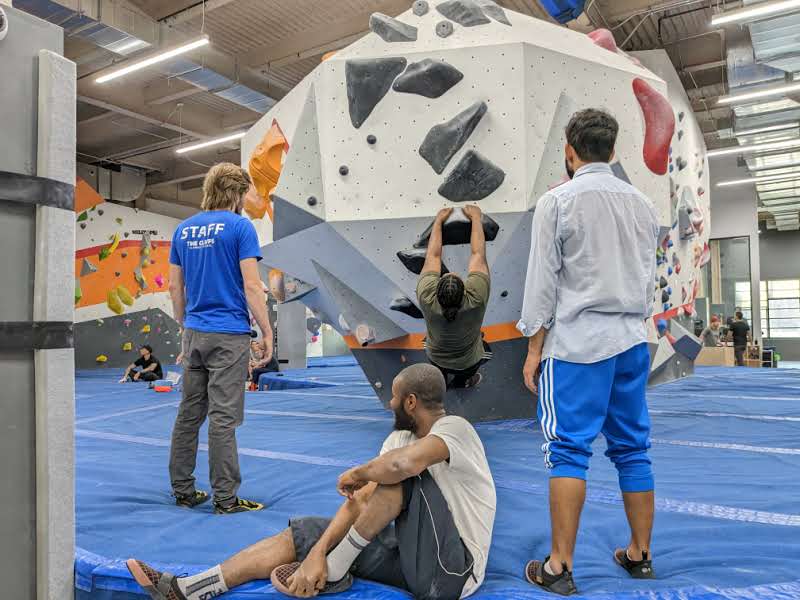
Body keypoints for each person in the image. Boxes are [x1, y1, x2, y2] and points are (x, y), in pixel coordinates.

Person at [126, 363, 496, 600]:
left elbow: (399, 469)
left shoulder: (456, 430)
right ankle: (191, 589)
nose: (390, 405)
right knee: (301, 535)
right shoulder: (398, 440)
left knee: (399, 476)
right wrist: (319, 551)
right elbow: (364, 499)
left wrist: (359, 472)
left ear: (411, 402)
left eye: (395, 399)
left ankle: (337, 568)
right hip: (410, 558)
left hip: (451, 575)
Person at [517, 109, 660, 595]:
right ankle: (640, 556)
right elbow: (648, 282)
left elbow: (541, 286)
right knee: (633, 449)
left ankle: (559, 566)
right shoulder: (643, 204)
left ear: (569, 151)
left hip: (577, 346)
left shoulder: (556, 202)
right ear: (614, 150)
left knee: (567, 451)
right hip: (632, 342)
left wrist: (534, 348)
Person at [168, 163, 274, 515]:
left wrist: (186, 325)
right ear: (238, 193)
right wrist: (267, 330)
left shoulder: (183, 230)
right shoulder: (240, 227)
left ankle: (183, 490)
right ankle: (225, 499)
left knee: (189, 414)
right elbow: (251, 285)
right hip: (228, 334)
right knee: (224, 419)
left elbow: (174, 287)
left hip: (195, 331)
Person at [416, 205, 492, 389]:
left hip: (435, 356)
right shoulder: (476, 299)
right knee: (477, 361)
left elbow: (433, 255)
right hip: (468, 361)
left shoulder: (427, 298)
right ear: (465, 291)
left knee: (439, 372)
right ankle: (463, 381)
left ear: (436, 291)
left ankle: (443, 383)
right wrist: (475, 218)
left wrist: (438, 221)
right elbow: (478, 253)